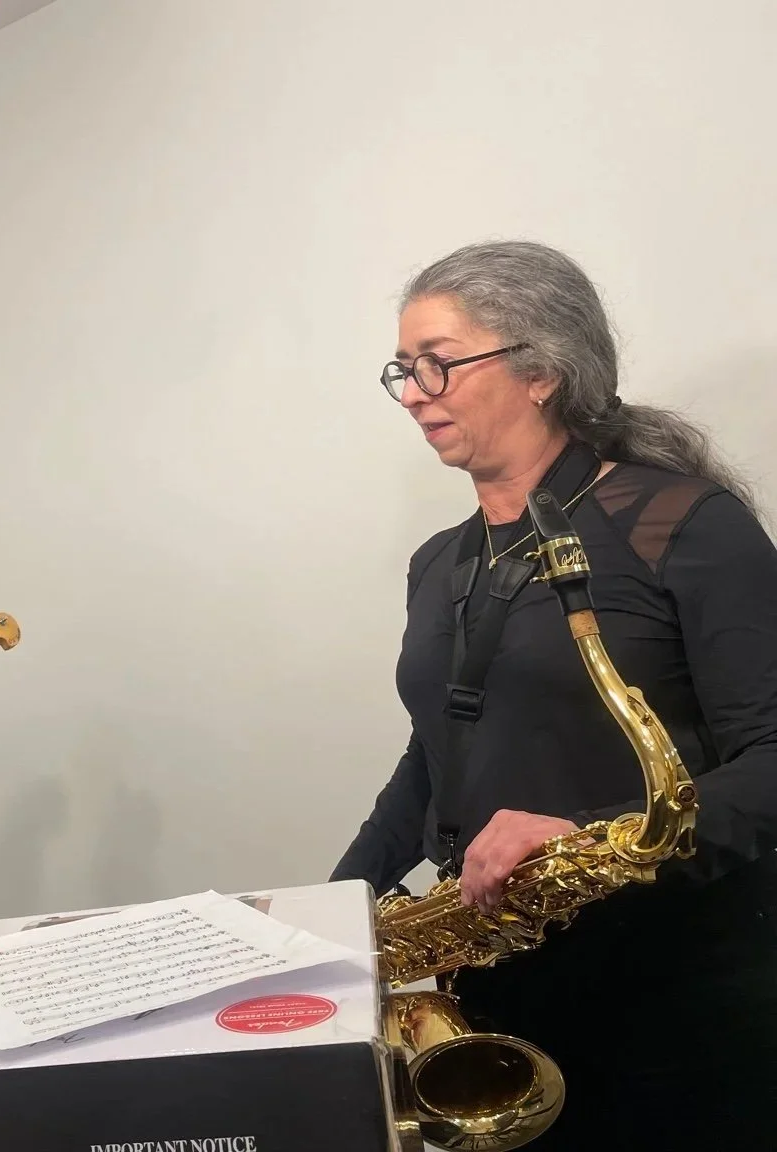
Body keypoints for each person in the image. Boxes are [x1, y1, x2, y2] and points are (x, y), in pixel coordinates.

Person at [331, 240, 777, 1148]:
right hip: (499, 985)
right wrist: (333, 908)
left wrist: (586, 836)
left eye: (438, 363)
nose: (413, 393)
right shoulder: (439, 562)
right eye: (403, 369)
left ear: (541, 371)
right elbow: (436, 752)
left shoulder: (682, 522)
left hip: (673, 995)